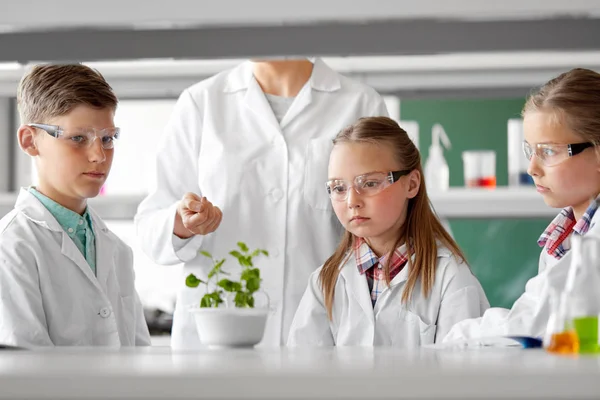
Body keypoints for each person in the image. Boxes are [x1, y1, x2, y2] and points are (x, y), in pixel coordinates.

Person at [134, 58, 389, 348]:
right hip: (218, 342)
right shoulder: (201, 102)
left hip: (325, 336)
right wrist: (181, 224)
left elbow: (390, 226)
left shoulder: (360, 104)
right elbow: (151, 227)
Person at [287, 117, 489, 346]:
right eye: (338, 188)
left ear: (412, 184)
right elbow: (302, 372)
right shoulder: (325, 282)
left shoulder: (450, 278)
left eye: (370, 183)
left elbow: (465, 375)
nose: (352, 201)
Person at [443, 68, 600, 342]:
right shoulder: (563, 238)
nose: (532, 168)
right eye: (531, 150)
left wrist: (455, 336)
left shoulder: (592, 242)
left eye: (548, 151)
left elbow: (536, 322)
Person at [0, 64, 151, 347]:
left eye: (107, 138)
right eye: (78, 138)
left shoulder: (117, 250)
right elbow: (22, 378)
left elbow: (138, 357)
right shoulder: (11, 248)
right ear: (30, 141)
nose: (98, 155)